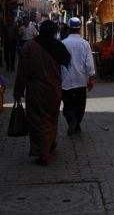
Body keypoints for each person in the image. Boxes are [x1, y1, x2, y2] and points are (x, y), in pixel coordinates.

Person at [13, 20, 71, 166]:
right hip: (54, 90)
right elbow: (67, 61)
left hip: (36, 91)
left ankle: (43, 153)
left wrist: (18, 91)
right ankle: (50, 143)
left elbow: (22, 72)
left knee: (38, 120)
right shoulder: (58, 46)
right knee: (51, 118)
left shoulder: (29, 46)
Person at [61, 17, 95, 136]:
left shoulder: (63, 43)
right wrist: (91, 79)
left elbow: (59, 63)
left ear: (68, 29)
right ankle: (77, 123)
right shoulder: (85, 44)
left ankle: (73, 121)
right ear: (80, 29)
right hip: (81, 80)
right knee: (80, 105)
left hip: (66, 81)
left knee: (67, 104)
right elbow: (89, 64)